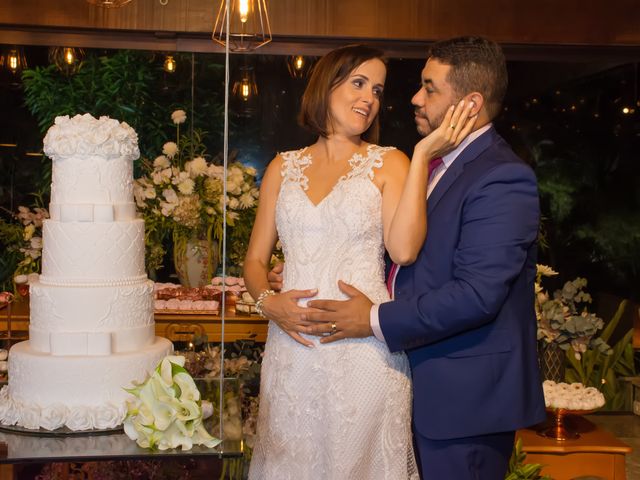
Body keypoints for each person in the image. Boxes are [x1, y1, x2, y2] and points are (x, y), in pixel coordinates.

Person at [293, 36, 546, 479]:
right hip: (408, 384)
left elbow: (476, 295)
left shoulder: (503, 178)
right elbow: (407, 257)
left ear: (469, 102)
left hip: (464, 404)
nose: (414, 97)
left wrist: (372, 319)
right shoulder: (435, 165)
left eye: (430, 88)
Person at [243, 44, 475, 479]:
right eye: (358, 83)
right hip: (291, 352)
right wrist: (266, 303)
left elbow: (404, 251)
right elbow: (255, 260)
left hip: (362, 351)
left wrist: (422, 154)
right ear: (326, 86)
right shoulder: (282, 167)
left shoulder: (390, 162)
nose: (369, 98)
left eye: (378, 90)